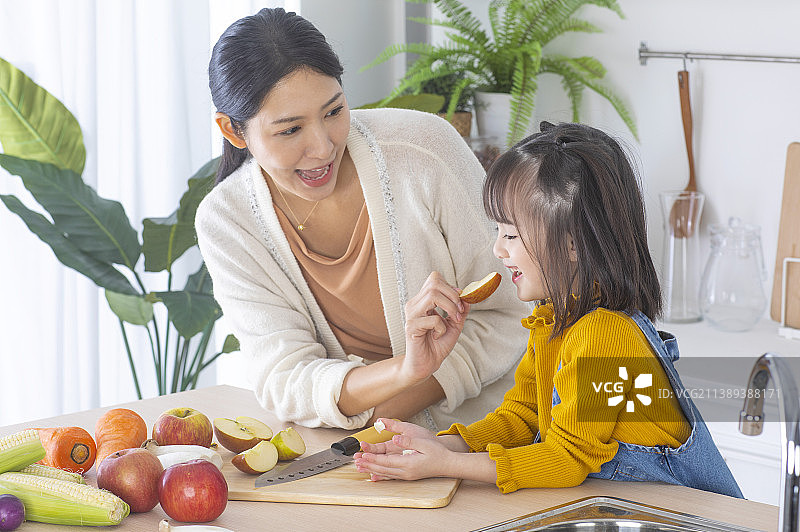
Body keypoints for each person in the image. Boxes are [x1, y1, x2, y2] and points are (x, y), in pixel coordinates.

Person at [354, 122, 743, 498]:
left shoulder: (605, 335)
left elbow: (567, 458)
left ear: (573, 244)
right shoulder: (553, 320)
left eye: (510, 234)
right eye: (498, 233)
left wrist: (447, 464)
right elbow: (525, 417)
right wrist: (450, 444)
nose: (498, 250)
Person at [195, 8, 529, 432]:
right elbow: (284, 378)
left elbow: (512, 314)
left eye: (333, 111)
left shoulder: (424, 149)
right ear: (234, 131)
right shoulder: (227, 221)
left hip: (489, 435)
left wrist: (391, 409)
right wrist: (406, 370)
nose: (322, 147)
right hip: (348, 456)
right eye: (290, 130)